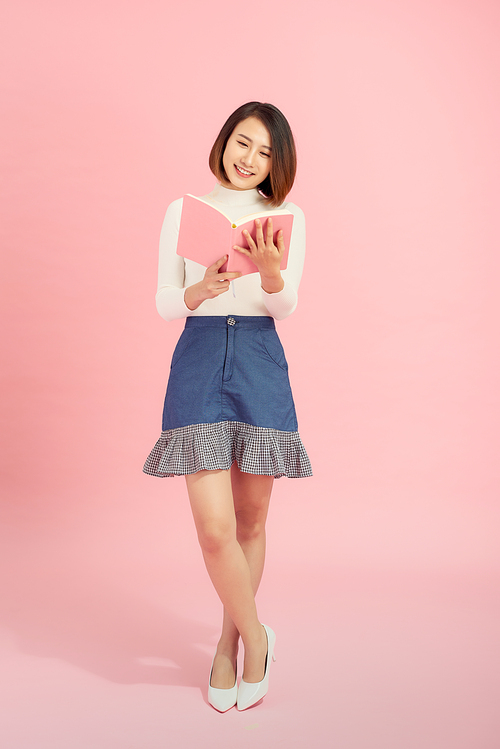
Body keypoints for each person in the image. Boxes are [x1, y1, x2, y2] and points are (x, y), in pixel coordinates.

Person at [143, 102, 312, 711]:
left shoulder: (285, 215)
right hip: (199, 355)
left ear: (278, 163)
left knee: (250, 522)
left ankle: (228, 644)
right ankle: (259, 635)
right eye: (243, 143)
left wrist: (269, 275)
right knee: (215, 530)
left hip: (259, 361)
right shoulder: (184, 212)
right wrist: (200, 288)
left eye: (266, 152)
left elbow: (287, 304)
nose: (250, 159)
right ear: (224, 142)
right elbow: (165, 300)